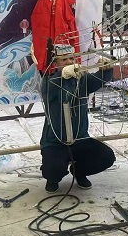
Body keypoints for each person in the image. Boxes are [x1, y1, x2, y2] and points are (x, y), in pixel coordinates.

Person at [40, 45, 116, 192]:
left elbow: (98, 80)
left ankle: (79, 172)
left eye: (71, 58)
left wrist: (106, 69)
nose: (69, 62)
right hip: (55, 141)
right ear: (55, 64)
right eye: (64, 60)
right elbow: (48, 90)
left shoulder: (82, 80)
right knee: (53, 168)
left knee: (106, 156)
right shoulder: (49, 82)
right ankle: (52, 178)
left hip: (80, 139)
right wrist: (61, 76)